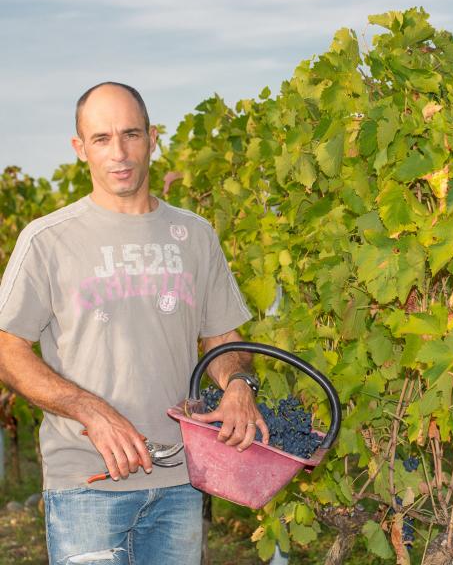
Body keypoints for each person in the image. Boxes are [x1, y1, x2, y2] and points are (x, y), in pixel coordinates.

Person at [0, 82, 268, 564]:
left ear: (153, 138)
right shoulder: (47, 240)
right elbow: (7, 347)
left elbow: (222, 336)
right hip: (87, 482)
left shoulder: (195, 236)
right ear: (80, 148)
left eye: (130, 134)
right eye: (101, 138)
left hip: (182, 482)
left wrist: (239, 384)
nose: (118, 152)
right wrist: (90, 411)